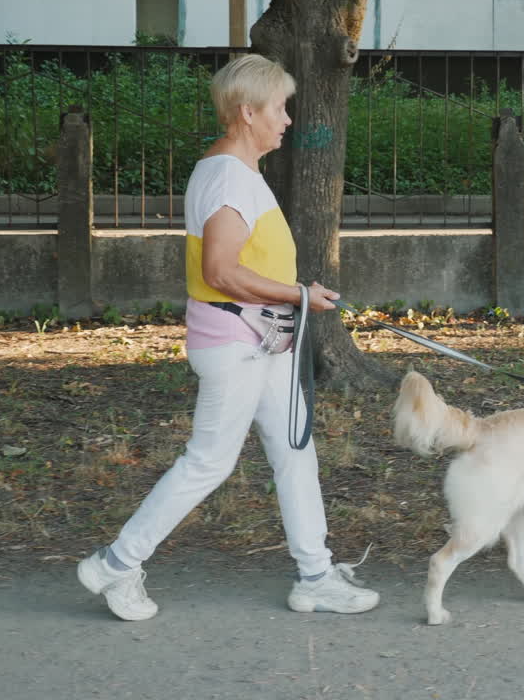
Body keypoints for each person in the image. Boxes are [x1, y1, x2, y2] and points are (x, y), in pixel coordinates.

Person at [76, 54, 379, 621]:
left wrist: (298, 295)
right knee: (209, 463)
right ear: (248, 112)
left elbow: (241, 266)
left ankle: (315, 575)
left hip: (262, 342)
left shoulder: (235, 172)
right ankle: (117, 564)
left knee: (294, 452)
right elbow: (220, 271)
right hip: (237, 344)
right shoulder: (227, 177)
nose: (287, 120)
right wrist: (300, 296)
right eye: (280, 108)